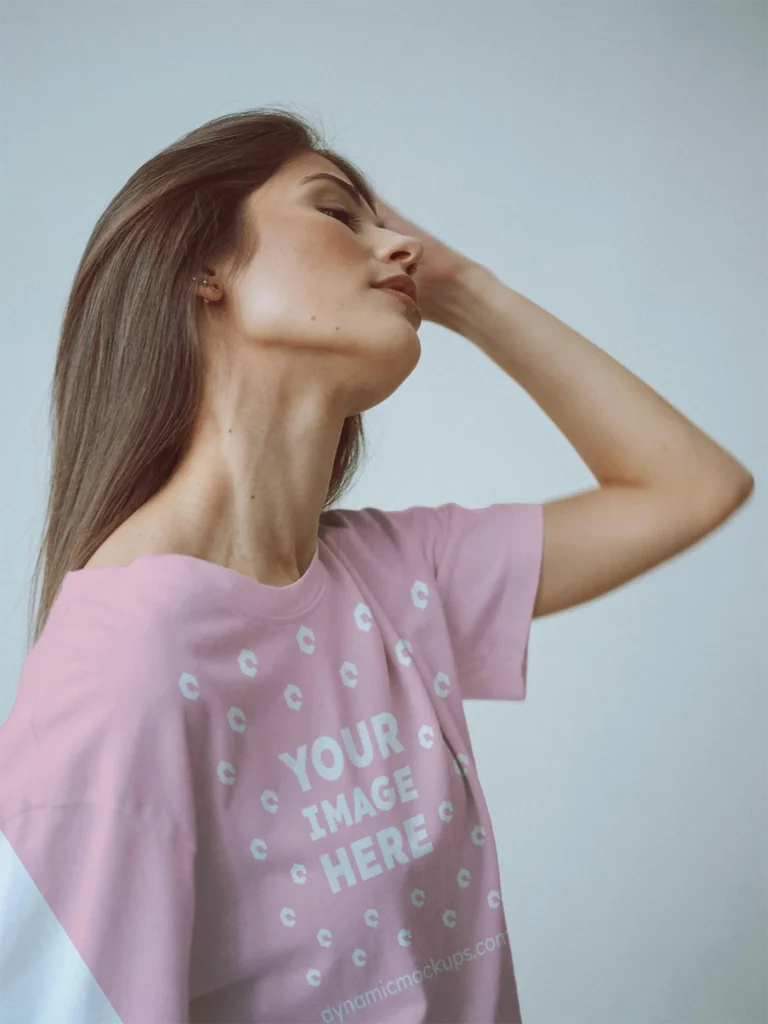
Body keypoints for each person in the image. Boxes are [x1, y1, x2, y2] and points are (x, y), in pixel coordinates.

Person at [0, 107, 753, 1024]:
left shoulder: (395, 576)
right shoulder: (119, 667)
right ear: (204, 266)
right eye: (337, 214)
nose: (397, 244)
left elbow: (692, 486)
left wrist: (465, 288)